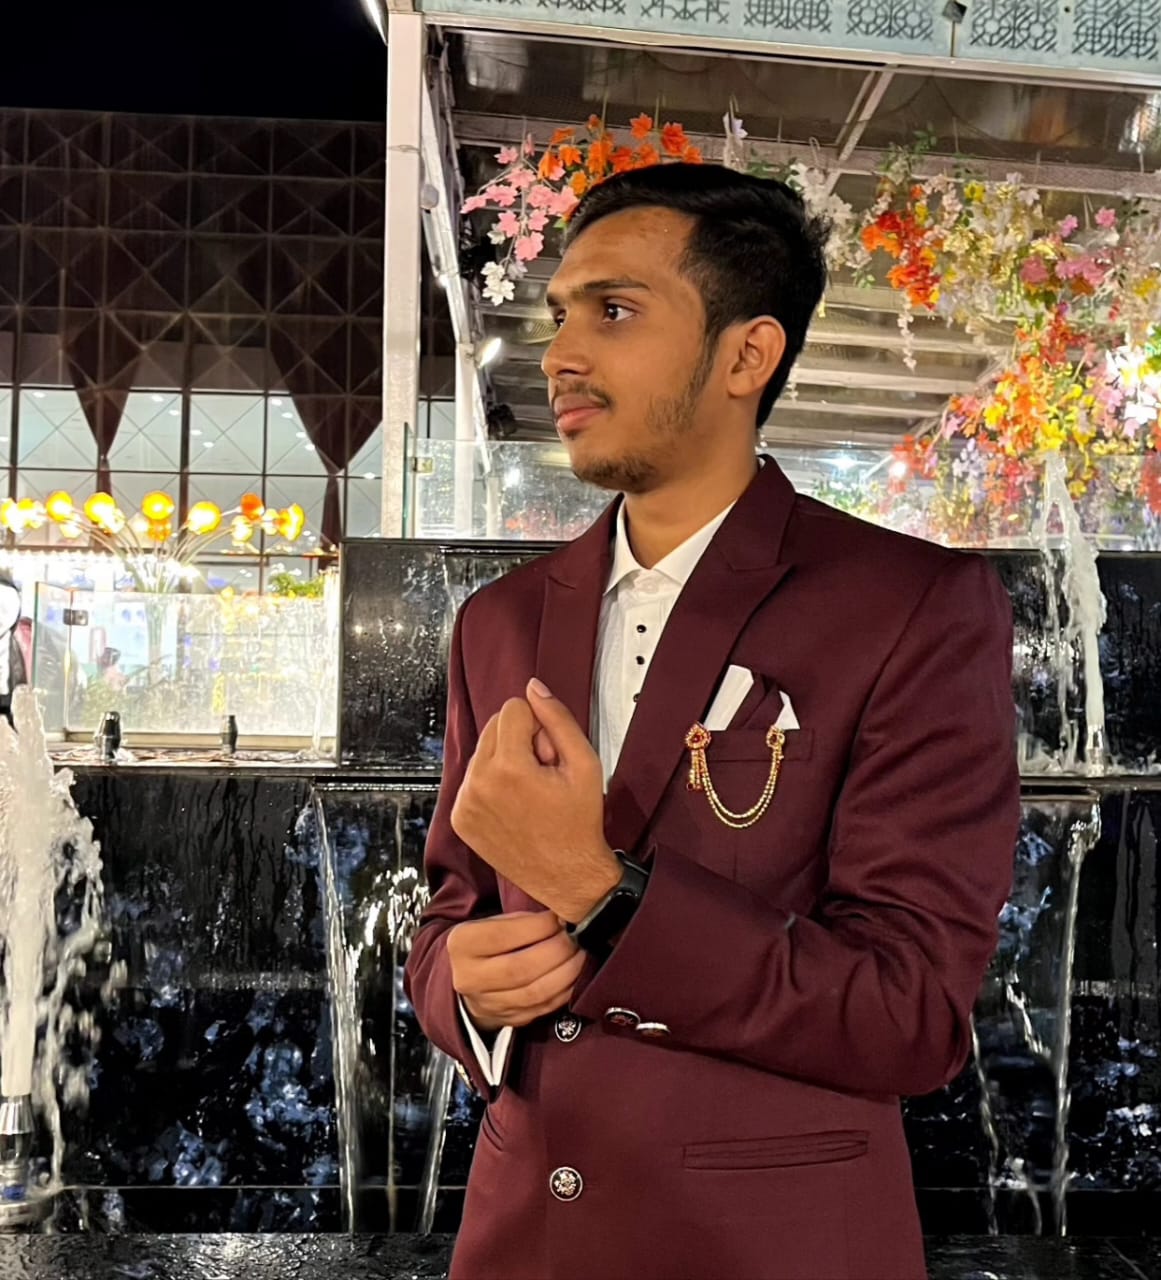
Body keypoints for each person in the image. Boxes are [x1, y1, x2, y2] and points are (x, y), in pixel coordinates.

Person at [404, 163, 1019, 1280]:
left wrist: (607, 895)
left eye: (614, 311)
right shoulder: (496, 621)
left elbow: (912, 1012)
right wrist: (463, 989)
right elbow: (449, 911)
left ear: (748, 355)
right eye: (560, 315)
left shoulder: (908, 606)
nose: (560, 354)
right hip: (520, 1238)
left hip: (773, 1247)